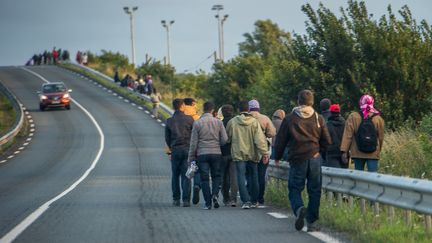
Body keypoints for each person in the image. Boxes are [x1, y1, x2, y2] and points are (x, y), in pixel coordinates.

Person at [274, 89, 331, 232]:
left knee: (294, 188)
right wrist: (320, 153)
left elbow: (280, 141)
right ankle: (312, 223)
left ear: (298, 101)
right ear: (312, 102)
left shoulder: (289, 118)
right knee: (315, 190)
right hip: (315, 158)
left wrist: (278, 157)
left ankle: (299, 209)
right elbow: (327, 141)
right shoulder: (318, 118)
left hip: (297, 158)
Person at [226, 101, 270, 209]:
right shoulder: (254, 122)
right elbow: (260, 140)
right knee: (254, 176)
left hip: (238, 153)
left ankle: (245, 201)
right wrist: (265, 153)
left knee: (240, 176)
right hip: (253, 154)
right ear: (249, 110)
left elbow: (227, 138)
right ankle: (254, 200)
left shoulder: (232, 122)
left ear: (238, 109)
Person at [188, 101, 228, 210]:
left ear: (203, 110)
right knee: (216, 176)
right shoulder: (218, 123)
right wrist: (217, 144)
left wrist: (191, 158)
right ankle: (215, 194)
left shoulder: (197, 123)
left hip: (202, 154)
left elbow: (193, 143)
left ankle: (208, 203)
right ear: (213, 110)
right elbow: (224, 140)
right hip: (216, 153)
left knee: (204, 179)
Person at [340, 94, 385, 172]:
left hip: (358, 152)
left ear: (360, 102)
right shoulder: (378, 118)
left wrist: (344, 151)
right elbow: (381, 137)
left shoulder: (353, 116)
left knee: (359, 177)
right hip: (373, 153)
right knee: (373, 177)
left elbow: (348, 135)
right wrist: (378, 150)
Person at [165, 99, 194, 207]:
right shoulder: (190, 119)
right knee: (187, 175)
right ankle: (186, 200)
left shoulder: (169, 120)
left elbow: (167, 138)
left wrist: (171, 149)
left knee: (175, 175)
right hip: (187, 149)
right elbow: (194, 135)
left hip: (175, 150)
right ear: (182, 106)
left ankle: (176, 199)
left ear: (173, 107)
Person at [248, 99, 276, 205]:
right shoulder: (265, 118)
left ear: (249, 108)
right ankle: (260, 198)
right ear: (258, 108)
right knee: (261, 174)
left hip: (249, 150)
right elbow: (272, 133)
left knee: (251, 174)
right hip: (263, 150)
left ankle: (251, 196)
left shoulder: (246, 118)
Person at [182, 97, 201, 205]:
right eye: (195, 104)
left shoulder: (177, 116)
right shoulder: (197, 118)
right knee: (196, 170)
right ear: (193, 104)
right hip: (195, 148)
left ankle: (185, 199)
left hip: (181, 147)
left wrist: (169, 151)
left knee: (185, 174)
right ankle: (197, 186)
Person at [219, 104, 238, 207]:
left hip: (222, 153)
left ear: (222, 112)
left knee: (224, 177)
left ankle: (226, 198)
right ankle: (233, 199)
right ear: (232, 112)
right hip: (234, 152)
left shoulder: (220, 123)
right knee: (234, 177)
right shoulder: (236, 123)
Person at [324, 104, 347, 168]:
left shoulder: (328, 124)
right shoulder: (345, 123)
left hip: (331, 153)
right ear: (339, 112)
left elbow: (325, 139)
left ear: (330, 112)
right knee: (344, 174)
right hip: (343, 153)